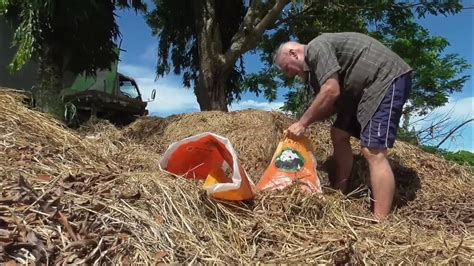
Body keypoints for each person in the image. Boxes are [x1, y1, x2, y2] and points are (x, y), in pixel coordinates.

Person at [273, 32, 412, 219]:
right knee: (338, 133)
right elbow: (329, 106)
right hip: (360, 94)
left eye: (287, 68)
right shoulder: (314, 72)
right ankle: (340, 192)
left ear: (293, 53)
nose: (289, 74)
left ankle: (380, 222)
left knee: (373, 150)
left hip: (385, 79)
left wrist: (303, 123)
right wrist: (306, 124)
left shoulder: (316, 47)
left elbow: (331, 90)